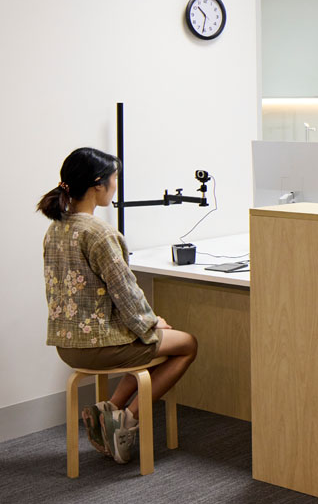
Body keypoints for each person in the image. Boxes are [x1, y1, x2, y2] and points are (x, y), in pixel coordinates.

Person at [37, 147, 198, 465]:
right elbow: (126, 293)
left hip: (67, 346)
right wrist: (153, 323)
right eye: (114, 179)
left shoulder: (55, 229)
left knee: (151, 342)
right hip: (100, 346)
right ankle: (126, 419)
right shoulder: (100, 234)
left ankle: (108, 411)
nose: (115, 186)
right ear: (98, 185)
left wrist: (148, 326)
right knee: (187, 344)